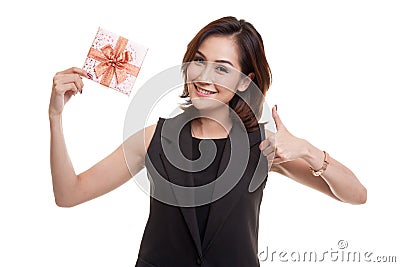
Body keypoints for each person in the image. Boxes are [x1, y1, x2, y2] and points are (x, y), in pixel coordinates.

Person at [49, 16, 367, 267]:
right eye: (199, 61)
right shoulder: (152, 138)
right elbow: (69, 193)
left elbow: (356, 195)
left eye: (222, 68)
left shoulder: (264, 146)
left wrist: (309, 151)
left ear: (246, 80)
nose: (203, 77)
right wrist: (56, 117)